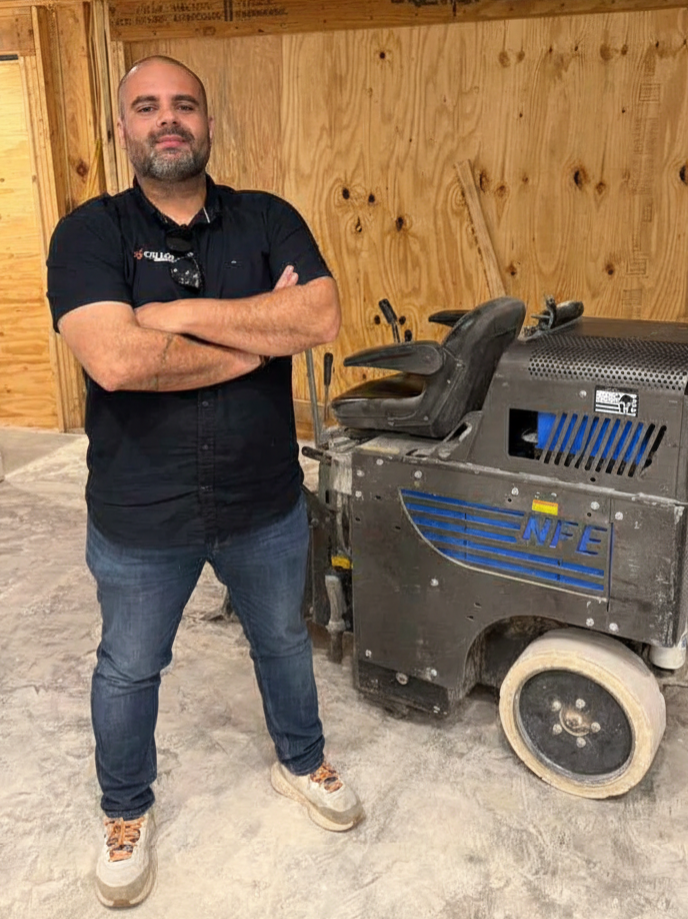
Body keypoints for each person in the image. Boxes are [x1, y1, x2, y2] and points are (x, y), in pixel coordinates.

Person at [46, 54, 363, 910]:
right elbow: (117, 359)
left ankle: (302, 758)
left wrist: (176, 316)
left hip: (263, 499)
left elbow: (320, 315)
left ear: (209, 124)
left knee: (283, 640)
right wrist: (258, 339)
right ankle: (125, 809)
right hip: (140, 512)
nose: (168, 119)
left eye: (184, 104)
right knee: (129, 666)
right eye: (147, 106)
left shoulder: (268, 218)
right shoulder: (89, 234)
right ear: (123, 128)